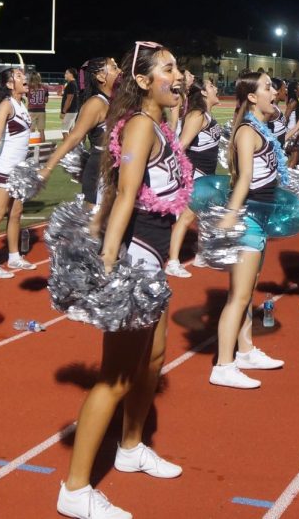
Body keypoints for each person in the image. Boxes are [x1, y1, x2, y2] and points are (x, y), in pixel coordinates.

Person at [57, 43, 185, 519]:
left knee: (153, 357)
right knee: (114, 377)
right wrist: (109, 266)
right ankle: (74, 489)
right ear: (146, 81)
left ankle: (130, 447)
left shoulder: (157, 124)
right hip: (136, 261)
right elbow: (123, 197)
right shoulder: (138, 126)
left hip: (154, 261)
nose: (180, 74)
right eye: (169, 68)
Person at [208, 71, 287, 386]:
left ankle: (245, 350)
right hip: (248, 218)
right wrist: (230, 216)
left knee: (245, 291)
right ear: (252, 96)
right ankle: (223, 366)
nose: (274, 90)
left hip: (260, 217)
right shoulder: (245, 131)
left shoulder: (260, 127)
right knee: (238, 297)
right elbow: (242, 180)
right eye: (267, 87)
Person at [39, 57, 120, 210]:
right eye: (115, 68)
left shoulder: (116, 101)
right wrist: (48, 167)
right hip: (101, 172)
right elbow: (75, 137)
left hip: (117, 170)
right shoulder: (96, 103)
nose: (120, 71)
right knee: (96, 226)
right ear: (101, 76)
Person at [164, 77, 221, 278]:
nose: (216, 87)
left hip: (208, 175)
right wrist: (183, 176)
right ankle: (172, 261)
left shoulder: (206, 114)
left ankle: (201, 255)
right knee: (187, 218)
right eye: (212, 85)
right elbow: (181, 146)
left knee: (205, 216)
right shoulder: (196, 115)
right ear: (204, 93)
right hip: (196, 174)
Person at [0, 67, 34, 277]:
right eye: (18, 76)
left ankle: (14, 256)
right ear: (10, 85)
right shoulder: (6, 104)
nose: (24, 78)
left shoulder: (22, 104)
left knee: (16, 213)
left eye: (23, 75)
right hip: (4, 169)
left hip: (19, 171)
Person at [27, 71, 49, 138]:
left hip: (31, 110)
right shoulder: (45, 87)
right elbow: (46, 100)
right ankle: (43, 146)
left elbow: (27, 98)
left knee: (31, 130)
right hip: (41, 110)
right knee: (41, 130)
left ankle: (31, 147)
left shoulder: (28, 87)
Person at [60, 67, 80, 136]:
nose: (65, 75)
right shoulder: (73, 83)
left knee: (64, 131)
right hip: (73, 110)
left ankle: (68, 146)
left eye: (66, 73)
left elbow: (69, 100)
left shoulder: (71, 84)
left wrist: (63, 112)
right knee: (71, 131)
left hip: (70, 111)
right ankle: (76, 146)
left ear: (71, 74)